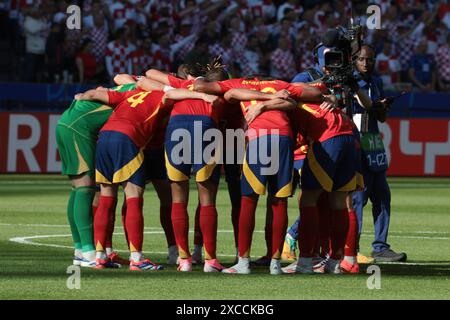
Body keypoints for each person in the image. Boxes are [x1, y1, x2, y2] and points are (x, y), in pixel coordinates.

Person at [74, 85, 217, 271]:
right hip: (127, 138)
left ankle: (100, 257)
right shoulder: (160, 95)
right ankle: (137, 259)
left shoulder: (129, 94)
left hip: (105, 137)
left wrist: (80, 95)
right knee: (134, 196)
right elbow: (172, 93)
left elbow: (93, 93)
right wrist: (203, 95)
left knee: (106, 196)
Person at [56, 83, 137, 267]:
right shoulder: (129, 96)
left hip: (67, 124)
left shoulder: (121, 90)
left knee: (78, 189)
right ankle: (88, 252)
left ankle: (80, 251)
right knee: (85, 188)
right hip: (78, 129)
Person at [352, 45, 407, 262]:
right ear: (355, 60)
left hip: (373, 143)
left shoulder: (376, 82)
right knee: (359, 198)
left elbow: (382, 118)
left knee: (383, 197)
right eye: (362, 59)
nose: (366, 63)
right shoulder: (351, 83)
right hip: (357, 142)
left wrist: (383, 107)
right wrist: (375, 107)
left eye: (370, 59)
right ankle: (351, 248)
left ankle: (380, 246)